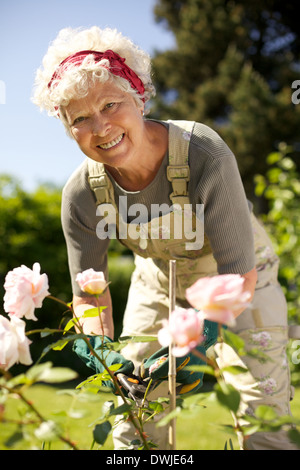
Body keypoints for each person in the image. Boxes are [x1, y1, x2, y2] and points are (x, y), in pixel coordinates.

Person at [32, 26, 296, 450]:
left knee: (262, 411)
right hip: (159, 282)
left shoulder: (203, 154)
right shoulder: (82, 196)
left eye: (110, 104)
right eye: (79, 118)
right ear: (67, 127)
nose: (100, 128)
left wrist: (200, 339)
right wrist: (100, 348)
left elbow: (237, 275)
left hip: (243, 280)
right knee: (134, 413)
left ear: (139, 96)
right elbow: (89, 293)